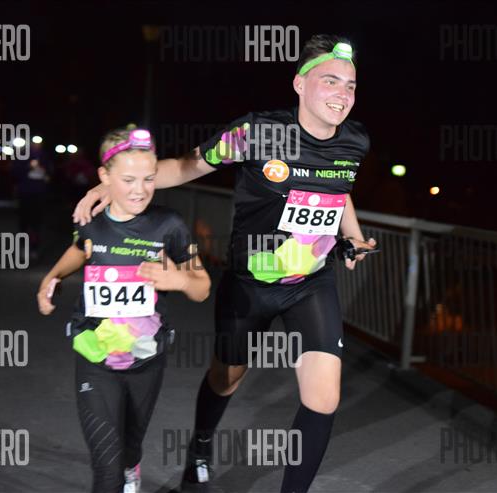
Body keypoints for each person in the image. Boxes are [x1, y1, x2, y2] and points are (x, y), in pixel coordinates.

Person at [74, 35, 376, 493]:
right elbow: (184, 167)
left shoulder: (355, 140)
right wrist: (119, 183)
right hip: (250, 283)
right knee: (227, 376)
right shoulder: (256, 132)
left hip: (311, 283)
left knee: (324, 397)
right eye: (330, 80)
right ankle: (199, 448)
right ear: (299, 84)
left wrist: (351, 235)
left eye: (350, 85)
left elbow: (340, 188)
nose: (342, 93)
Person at [38, 128, 211, 493]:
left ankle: (132, 465)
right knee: (106, 468)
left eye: (149, 179)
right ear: (104, 176)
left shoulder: (170, 225)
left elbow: (202, 288)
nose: (140, 190)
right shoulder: (90, 220)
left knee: (130, 445)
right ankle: (120, 474)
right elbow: (80, 249)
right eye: (128, 180)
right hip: (94, 354)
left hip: (146, 358)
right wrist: (53, 277)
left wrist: (180, 280)